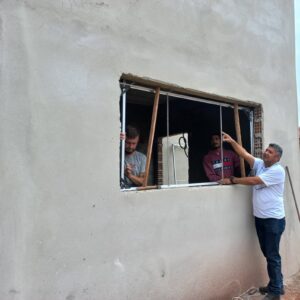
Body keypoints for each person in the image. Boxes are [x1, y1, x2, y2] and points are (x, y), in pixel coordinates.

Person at [220, 132, 285, 300]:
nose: (265, 152)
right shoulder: (260, 164)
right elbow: (244, 154)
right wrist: (232, 141)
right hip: (261, 218)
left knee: (272, 255)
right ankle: (276, 284)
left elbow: (254, 181)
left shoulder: (277, 171)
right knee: (269, 253)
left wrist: (233, 180)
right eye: (266, 150)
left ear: (277, 158)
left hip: (273, 220)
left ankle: (276, 292)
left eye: (270, 152)